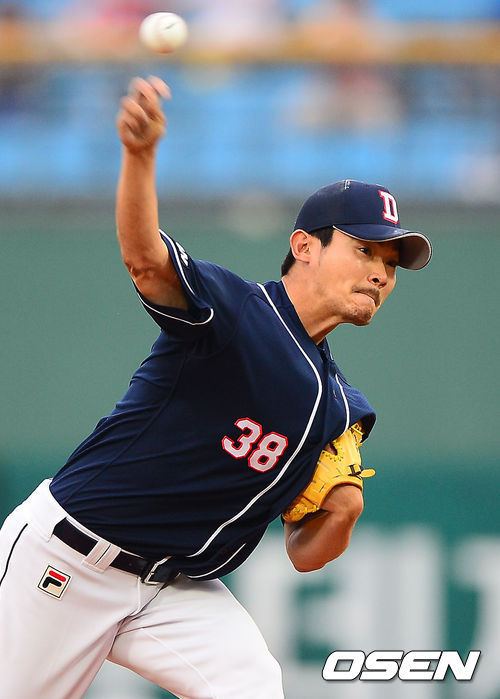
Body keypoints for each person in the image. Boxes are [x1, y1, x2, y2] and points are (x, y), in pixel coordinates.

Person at [0, 75, 431, 698]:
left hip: (174, 587)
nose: (381, 274)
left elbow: (305, 554)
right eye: (365, 250)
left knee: (253, 686)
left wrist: (342, 513)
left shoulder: (341, 407)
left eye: (391, 264)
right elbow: (145, 259)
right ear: (304, 246)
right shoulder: (236, 310)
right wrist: (140, 156)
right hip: (69, 560)